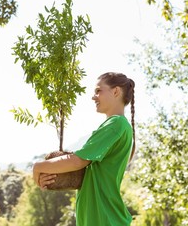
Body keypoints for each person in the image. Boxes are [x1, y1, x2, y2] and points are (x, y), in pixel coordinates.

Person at [33, 72, 135, 226]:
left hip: (105, 219)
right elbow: (86, 171)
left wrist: (38, 167)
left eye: (98, 91)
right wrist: (53, 176)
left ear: (115, 91)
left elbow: (78, 161)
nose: (94, 97)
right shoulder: (119, 125)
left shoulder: (116, 124)